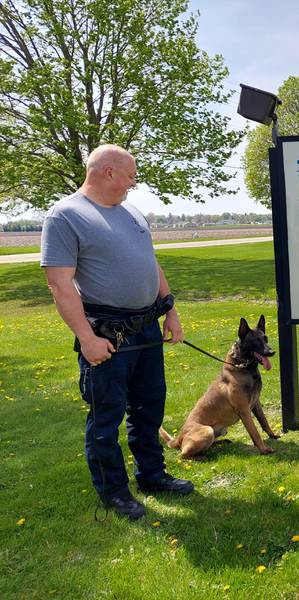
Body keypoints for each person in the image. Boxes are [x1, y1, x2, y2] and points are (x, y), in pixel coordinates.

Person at [41, 144, 194, 520]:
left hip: (146, 329)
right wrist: (88, 338)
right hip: (106, 335)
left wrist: (170, 310)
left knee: (149, 406)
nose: (134, 182)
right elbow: (59, 285)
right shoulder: (65, 216)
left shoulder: (132, 213)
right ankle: (113, 492)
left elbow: (150, 263)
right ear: (108, 172)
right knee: (106, 415)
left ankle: (152, 476)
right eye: (131, 175)